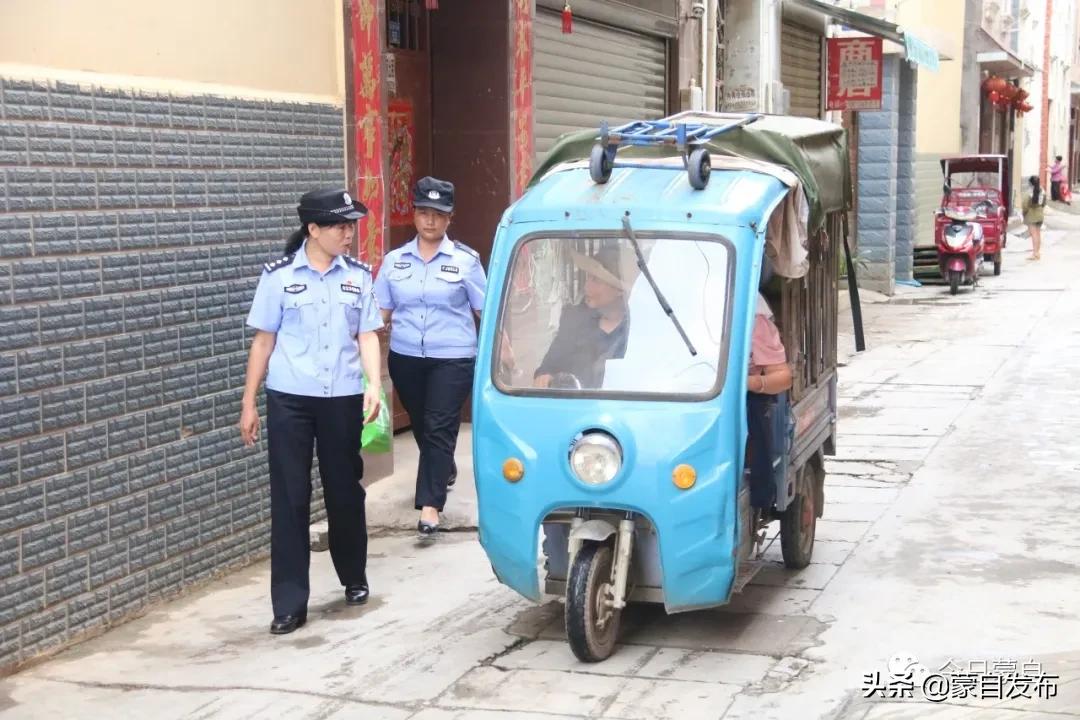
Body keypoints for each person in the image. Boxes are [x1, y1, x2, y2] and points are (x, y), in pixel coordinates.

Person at [239, 188, 383, 636]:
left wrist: (374, 385)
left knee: (344, 491)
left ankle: (353, 576)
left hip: (341, 396)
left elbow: (367, 336)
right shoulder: (279, 277)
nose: (348, 233)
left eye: (351, 225)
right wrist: (249, 402)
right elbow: (264, 340)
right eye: (340, 226)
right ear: (313, 229)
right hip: (290, 399)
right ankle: (288, 603)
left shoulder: (358, 276)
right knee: (289, 498)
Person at [374, 177, 486, 544]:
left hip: (452, 358)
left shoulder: (466, 262)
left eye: (438, 215)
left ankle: (430, 507)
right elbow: (380, 315)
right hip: (406, 357)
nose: (430, 221)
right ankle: (443, 468)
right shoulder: (394, 262)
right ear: (414, 215)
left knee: (439, 425)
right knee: (423, 424)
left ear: (450, 218)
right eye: (424, 213)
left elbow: (484, 309)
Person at [533, 247, 632, 390]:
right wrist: (544, 377)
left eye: (596, 280)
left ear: (619, 290)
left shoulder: (636, 330)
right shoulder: (574, 320)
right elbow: (549, 366)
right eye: (588, 278)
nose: (586, 286)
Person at [745, 292, 793, 511]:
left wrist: (750, 383)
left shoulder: (752, 317)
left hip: (736, 400)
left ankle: (760, 498)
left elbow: (783, 377)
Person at [1022, 175, 1045, 261]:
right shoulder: (1042, 190)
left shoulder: (1029, 192)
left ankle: (1035, 253)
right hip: (1040, 214)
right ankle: (1037, 252)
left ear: (1030, 183)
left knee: (1034, 234)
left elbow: (1025, 205)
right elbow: (1044, 203)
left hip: (1031, 215)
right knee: (1038, 234)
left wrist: (1024, 213)